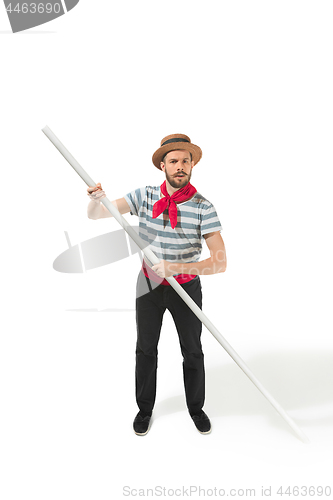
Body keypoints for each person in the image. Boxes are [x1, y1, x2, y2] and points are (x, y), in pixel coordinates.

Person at [86, 134, 227, 436]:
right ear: (162, 165)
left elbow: (219, 262)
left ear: (192, 165)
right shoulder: (145, 196)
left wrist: (177, 267)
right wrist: (96, 201)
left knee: (192, 350)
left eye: (185, 161)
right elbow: (99, 214)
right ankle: (145, 409)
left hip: (186, 288)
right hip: (148, 284)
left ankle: (196, 408)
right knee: (145, 349)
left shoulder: (204, 207)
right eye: (174, 161)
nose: (180, 166)